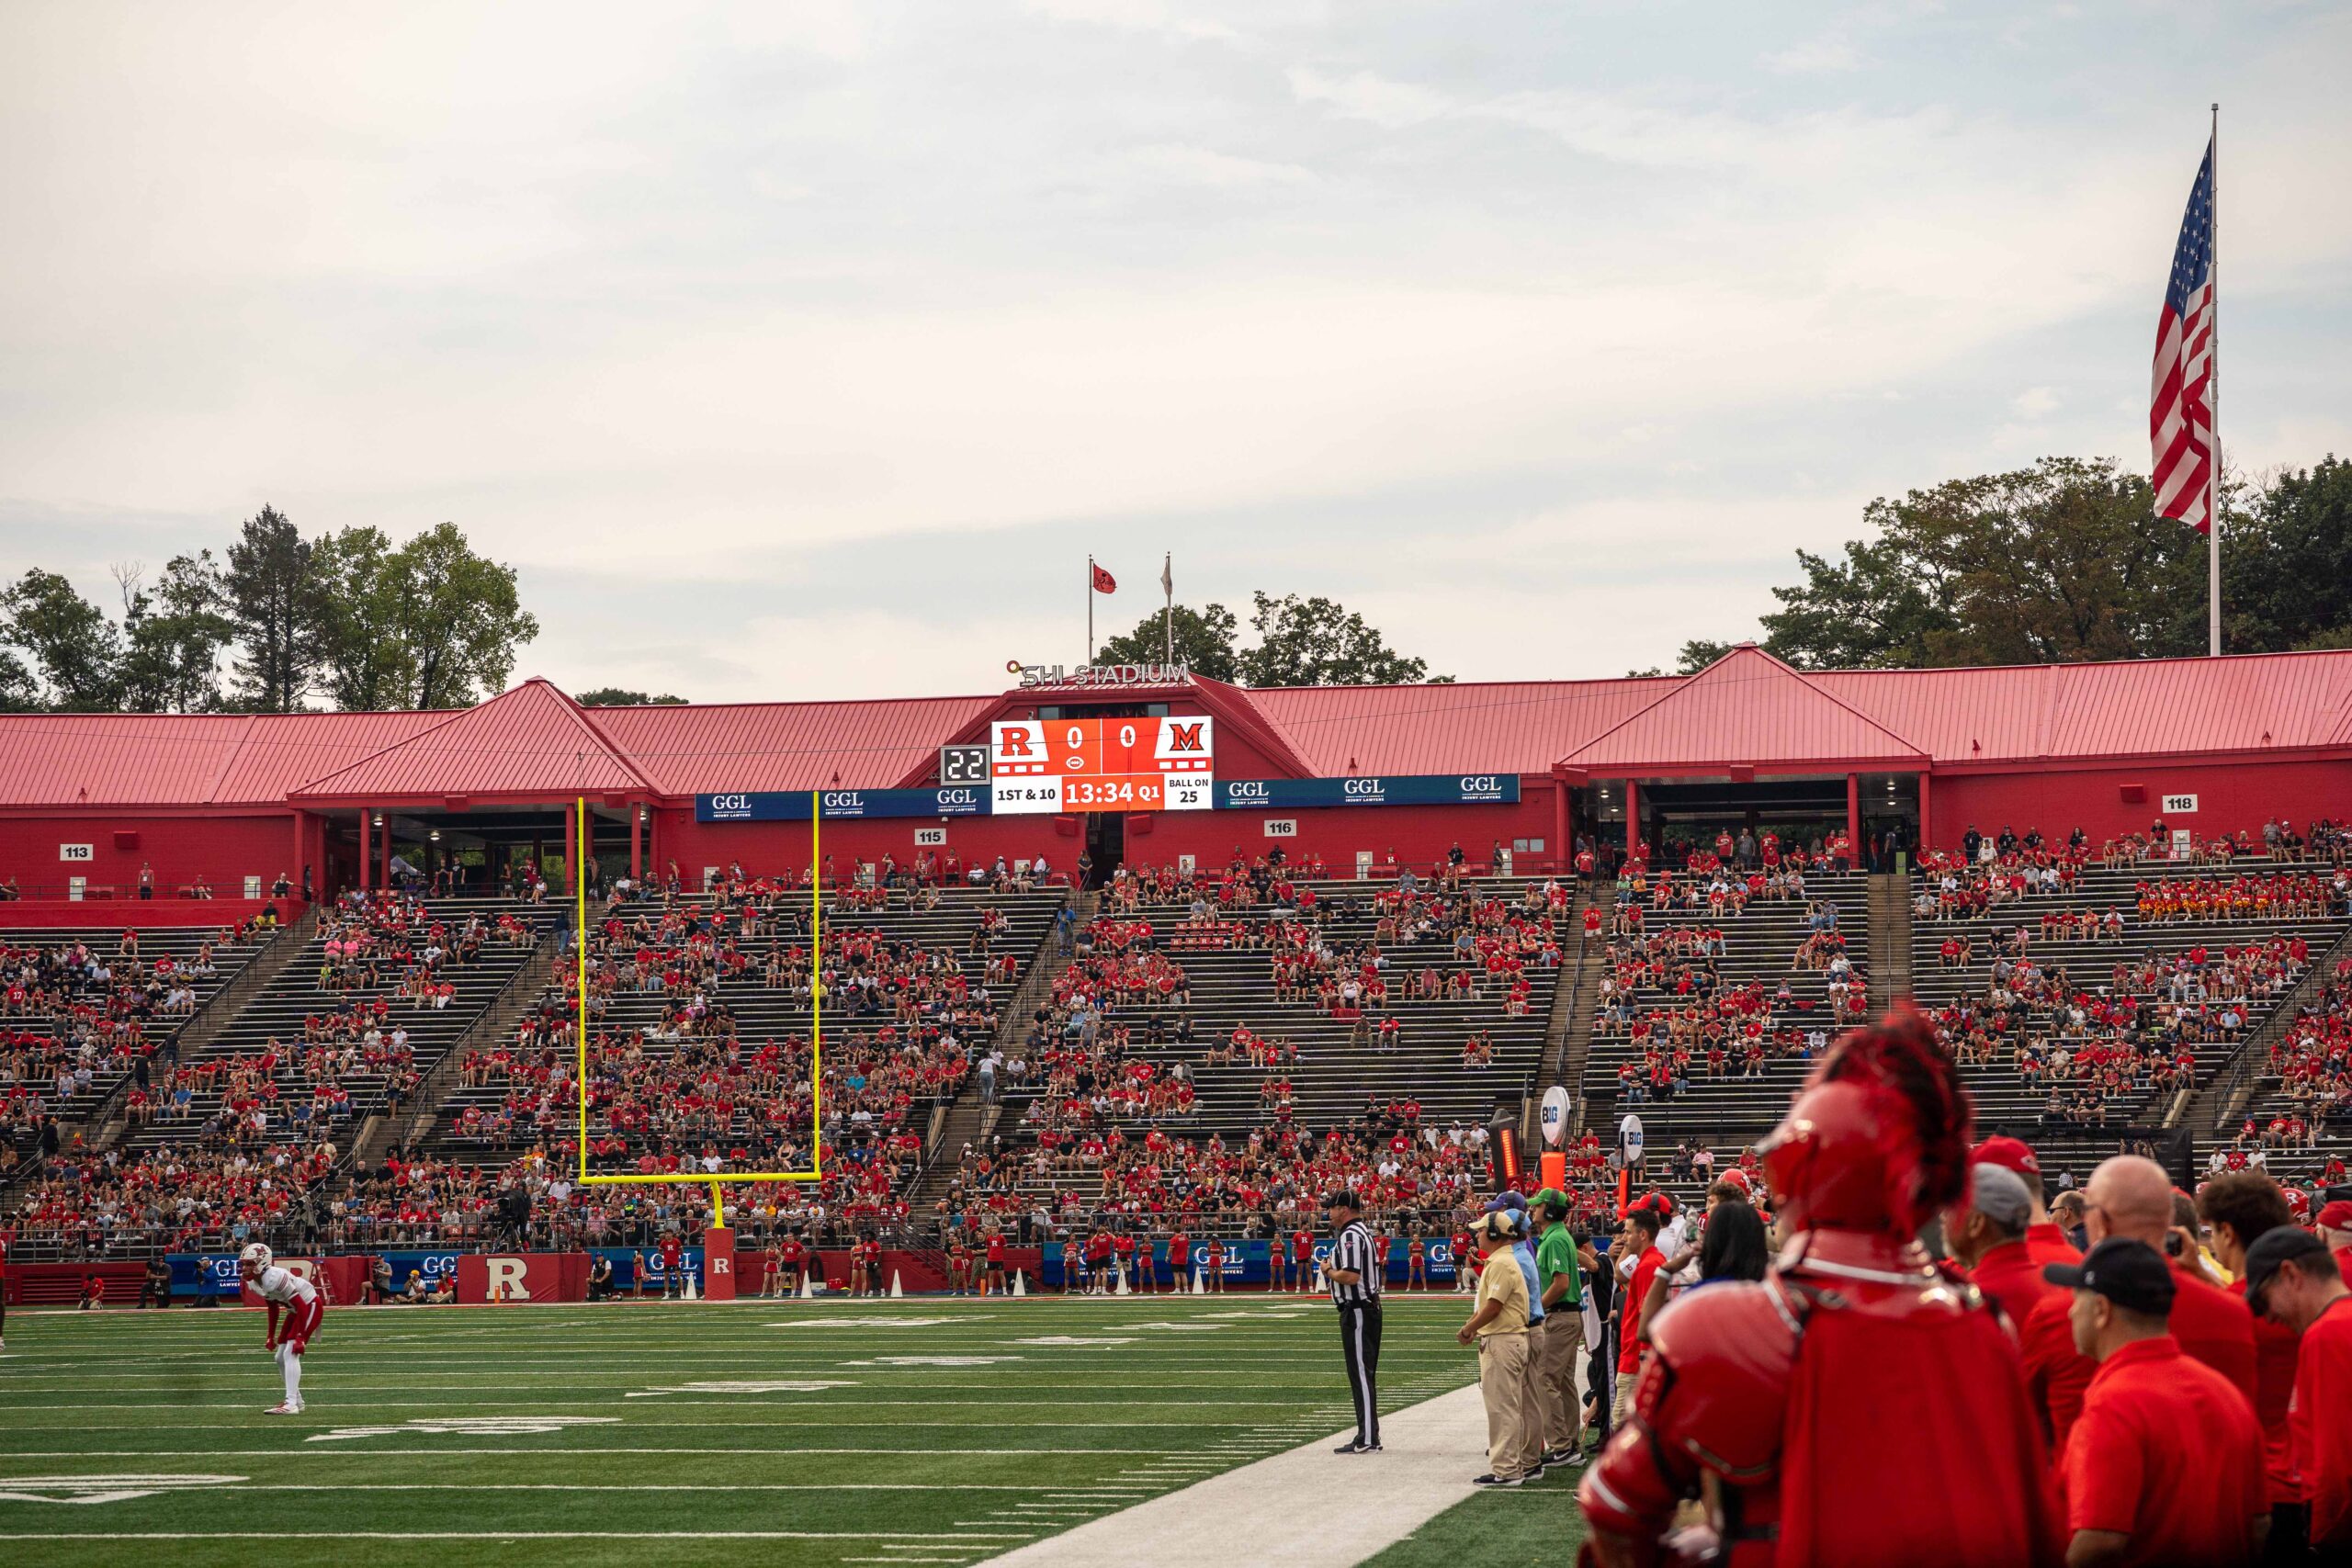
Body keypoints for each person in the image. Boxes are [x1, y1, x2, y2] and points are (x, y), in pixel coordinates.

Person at [1579, 1007, 2057, 1567]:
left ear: (1793, 1167)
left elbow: (1616, 1509)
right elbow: (2035, 1525)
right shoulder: (1982, 1323)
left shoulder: (1722, 1326)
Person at [2043, 1237, 2268, 1567]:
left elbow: (2100, 1541)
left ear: (2102, 1310)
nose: (2070, 1310)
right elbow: (2259, 1523)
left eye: (2077, 1298)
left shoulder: (2113, 1404)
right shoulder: (2225, 1393)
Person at [2194, 1173, 2306, 1550]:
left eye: (2212, 1231)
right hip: (2304, 1474)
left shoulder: (2230, 1310)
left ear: (2227, 1232)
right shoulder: (2302, 1297)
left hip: (2251, 1484)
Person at [2244, 1224, 2352, 1552]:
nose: (2269, 1318)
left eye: (2263, 1301)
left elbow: (2337, 1462)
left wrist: (2324, 1539)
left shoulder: (2327, 1334)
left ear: (2290, 1274)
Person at [1460, 1210, 1533, 1486]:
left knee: (1502, 1408)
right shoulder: (1501, 1261)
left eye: (1481, 1230)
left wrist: (1468, 1329)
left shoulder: (1501, 1263)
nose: (1477, 1234)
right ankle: (1511, 1464)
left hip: (1503, 1340)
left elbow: (1494, 1306)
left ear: (1493, 1234)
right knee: (1507, 1406)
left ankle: (1507, 1469)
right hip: (1507, 1338)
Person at [1532, 1190, 1588, 1468]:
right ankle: (1570, 1443)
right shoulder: (1558, 1236)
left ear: (1550, 1210)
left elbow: (1561, 1283)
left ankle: (1561, 1446)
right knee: (1563, 1381)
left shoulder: (1554, 1239)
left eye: (1539, 1205)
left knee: (1546, 1379)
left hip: (1559, 1316)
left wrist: (1535, 1309)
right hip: (1568, 1316)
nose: (1534, 1209)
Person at [1327, 1191, 1384, 1454]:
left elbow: (1350, 1276)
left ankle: (1368, 1437)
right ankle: (1369, 1433)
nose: (1329, 1213)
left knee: (1361, 1374)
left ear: (1345, 1209)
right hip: (1364, 1308)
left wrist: (1328, 1270)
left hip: (1359, 1310)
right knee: (1363, 1373)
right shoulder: (1361, 1232)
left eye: (1333, 1208)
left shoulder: (1351, 1235)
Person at [240, 1243, 322, 1415]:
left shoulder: (274, 1277)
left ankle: (291, 1404)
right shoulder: (255, 1283)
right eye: (244, 1264)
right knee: (279, 1357)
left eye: (250, 1264)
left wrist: (300, 1336)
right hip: (295, 1310)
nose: (245, 1268)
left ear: (262, 1262)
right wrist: (270, 1336)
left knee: (290, 1352)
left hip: (310, 1305)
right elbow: (273, 1308)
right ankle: (297, 1400)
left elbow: (302, 1305)